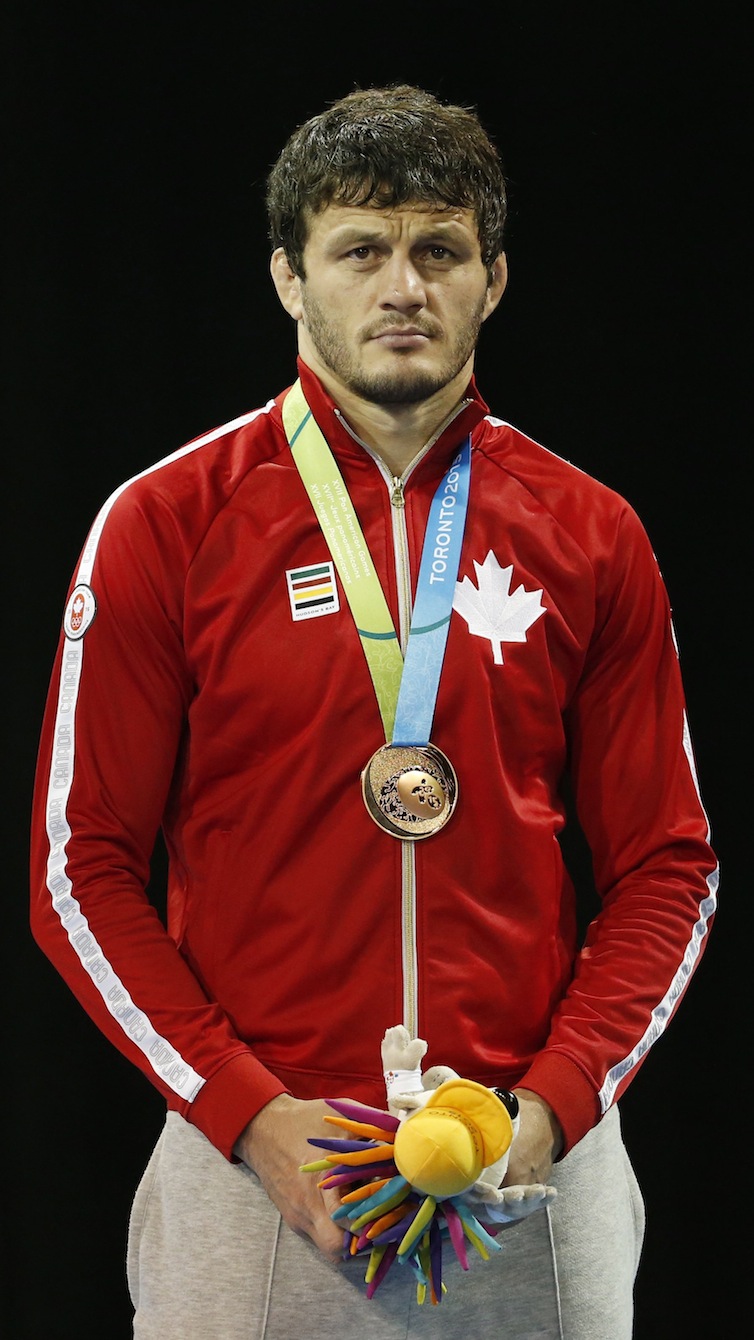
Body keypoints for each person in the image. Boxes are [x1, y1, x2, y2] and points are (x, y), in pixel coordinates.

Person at [30, 84, 718, 1339]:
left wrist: (555, 1107)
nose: (402, 285)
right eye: (360, 249)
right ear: (290, 278)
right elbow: (79, 868)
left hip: (531, 1164)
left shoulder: (592, 533)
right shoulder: (165, 524)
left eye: (437, 250)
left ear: (492, 280)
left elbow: (669, 865)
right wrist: (245, 1110)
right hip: (255, 1168)